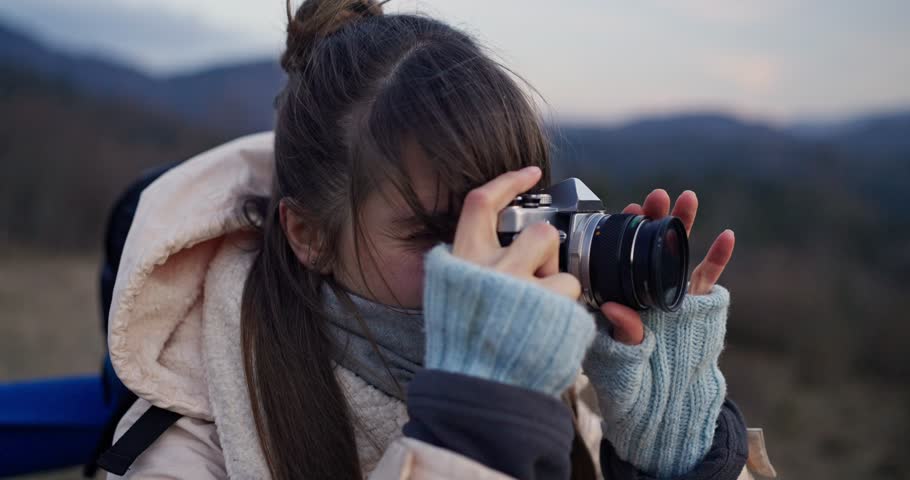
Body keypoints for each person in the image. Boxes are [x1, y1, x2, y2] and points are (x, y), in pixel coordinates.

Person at [104, 0, 774, 478]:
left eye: (514, 219)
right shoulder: (184, 446)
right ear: (308, 234)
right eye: (440, 233)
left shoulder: (552, 372)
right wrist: (476, 425)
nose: (490, 261)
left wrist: (683, 460)